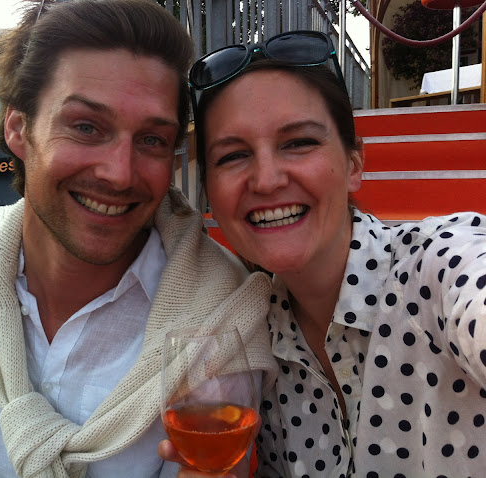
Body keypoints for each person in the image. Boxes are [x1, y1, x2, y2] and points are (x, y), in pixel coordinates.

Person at [0, 1, 277, 477]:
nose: (119, 174)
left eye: (152, 139)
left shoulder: (219, 316)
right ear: (18, 129)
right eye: (85, 127)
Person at [161, 30, 486, 477]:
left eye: (299, 143)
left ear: (354, 164)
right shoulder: (257, 340)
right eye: (233, 155)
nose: (267, 179)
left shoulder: (443, 264)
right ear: (209, 195)